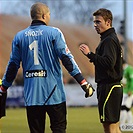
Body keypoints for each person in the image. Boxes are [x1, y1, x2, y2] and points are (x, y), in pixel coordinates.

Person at [0, 2, 94, 133]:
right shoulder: (54, 33)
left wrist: (4, 86)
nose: (49, 16)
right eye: (49, 14)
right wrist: (83, 82)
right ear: (44, 16)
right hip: (54, 94)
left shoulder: (19, 37)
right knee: (59, 129)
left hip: (32, 96)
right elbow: (66, 59)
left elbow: (13, 65)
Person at [79, 8, 123, 133]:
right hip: (112, 87)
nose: (95, 25)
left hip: (109, 87)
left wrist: (90, 55)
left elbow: (109, 62)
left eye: (98, 22)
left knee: (109, 127)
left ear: (108, 22)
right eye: (94, 22)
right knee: (114, 126)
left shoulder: (109, 40)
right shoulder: (108, 38)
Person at [120, 60, 133, 126]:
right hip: (124, 91)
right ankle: (130, 123)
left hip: (129, 92)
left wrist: (131, 90)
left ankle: (122, 123)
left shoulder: (129, 69)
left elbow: (132, 80)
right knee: (126, 108)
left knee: (124, 107)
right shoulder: (123, 70)